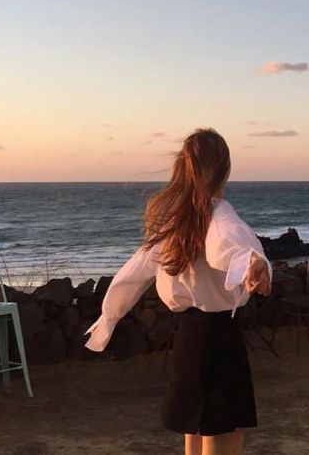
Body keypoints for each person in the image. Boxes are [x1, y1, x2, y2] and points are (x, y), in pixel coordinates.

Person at [85, 128, 272, 455]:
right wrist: (252, 263)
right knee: (220, 435)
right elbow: (226, 244)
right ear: (225, 169)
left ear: (182, 168)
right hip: (218, 340)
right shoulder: (219, 215)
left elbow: (134, 272)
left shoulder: (175, 223)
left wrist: (108, 317)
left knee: (196, 434)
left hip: (189, 339)